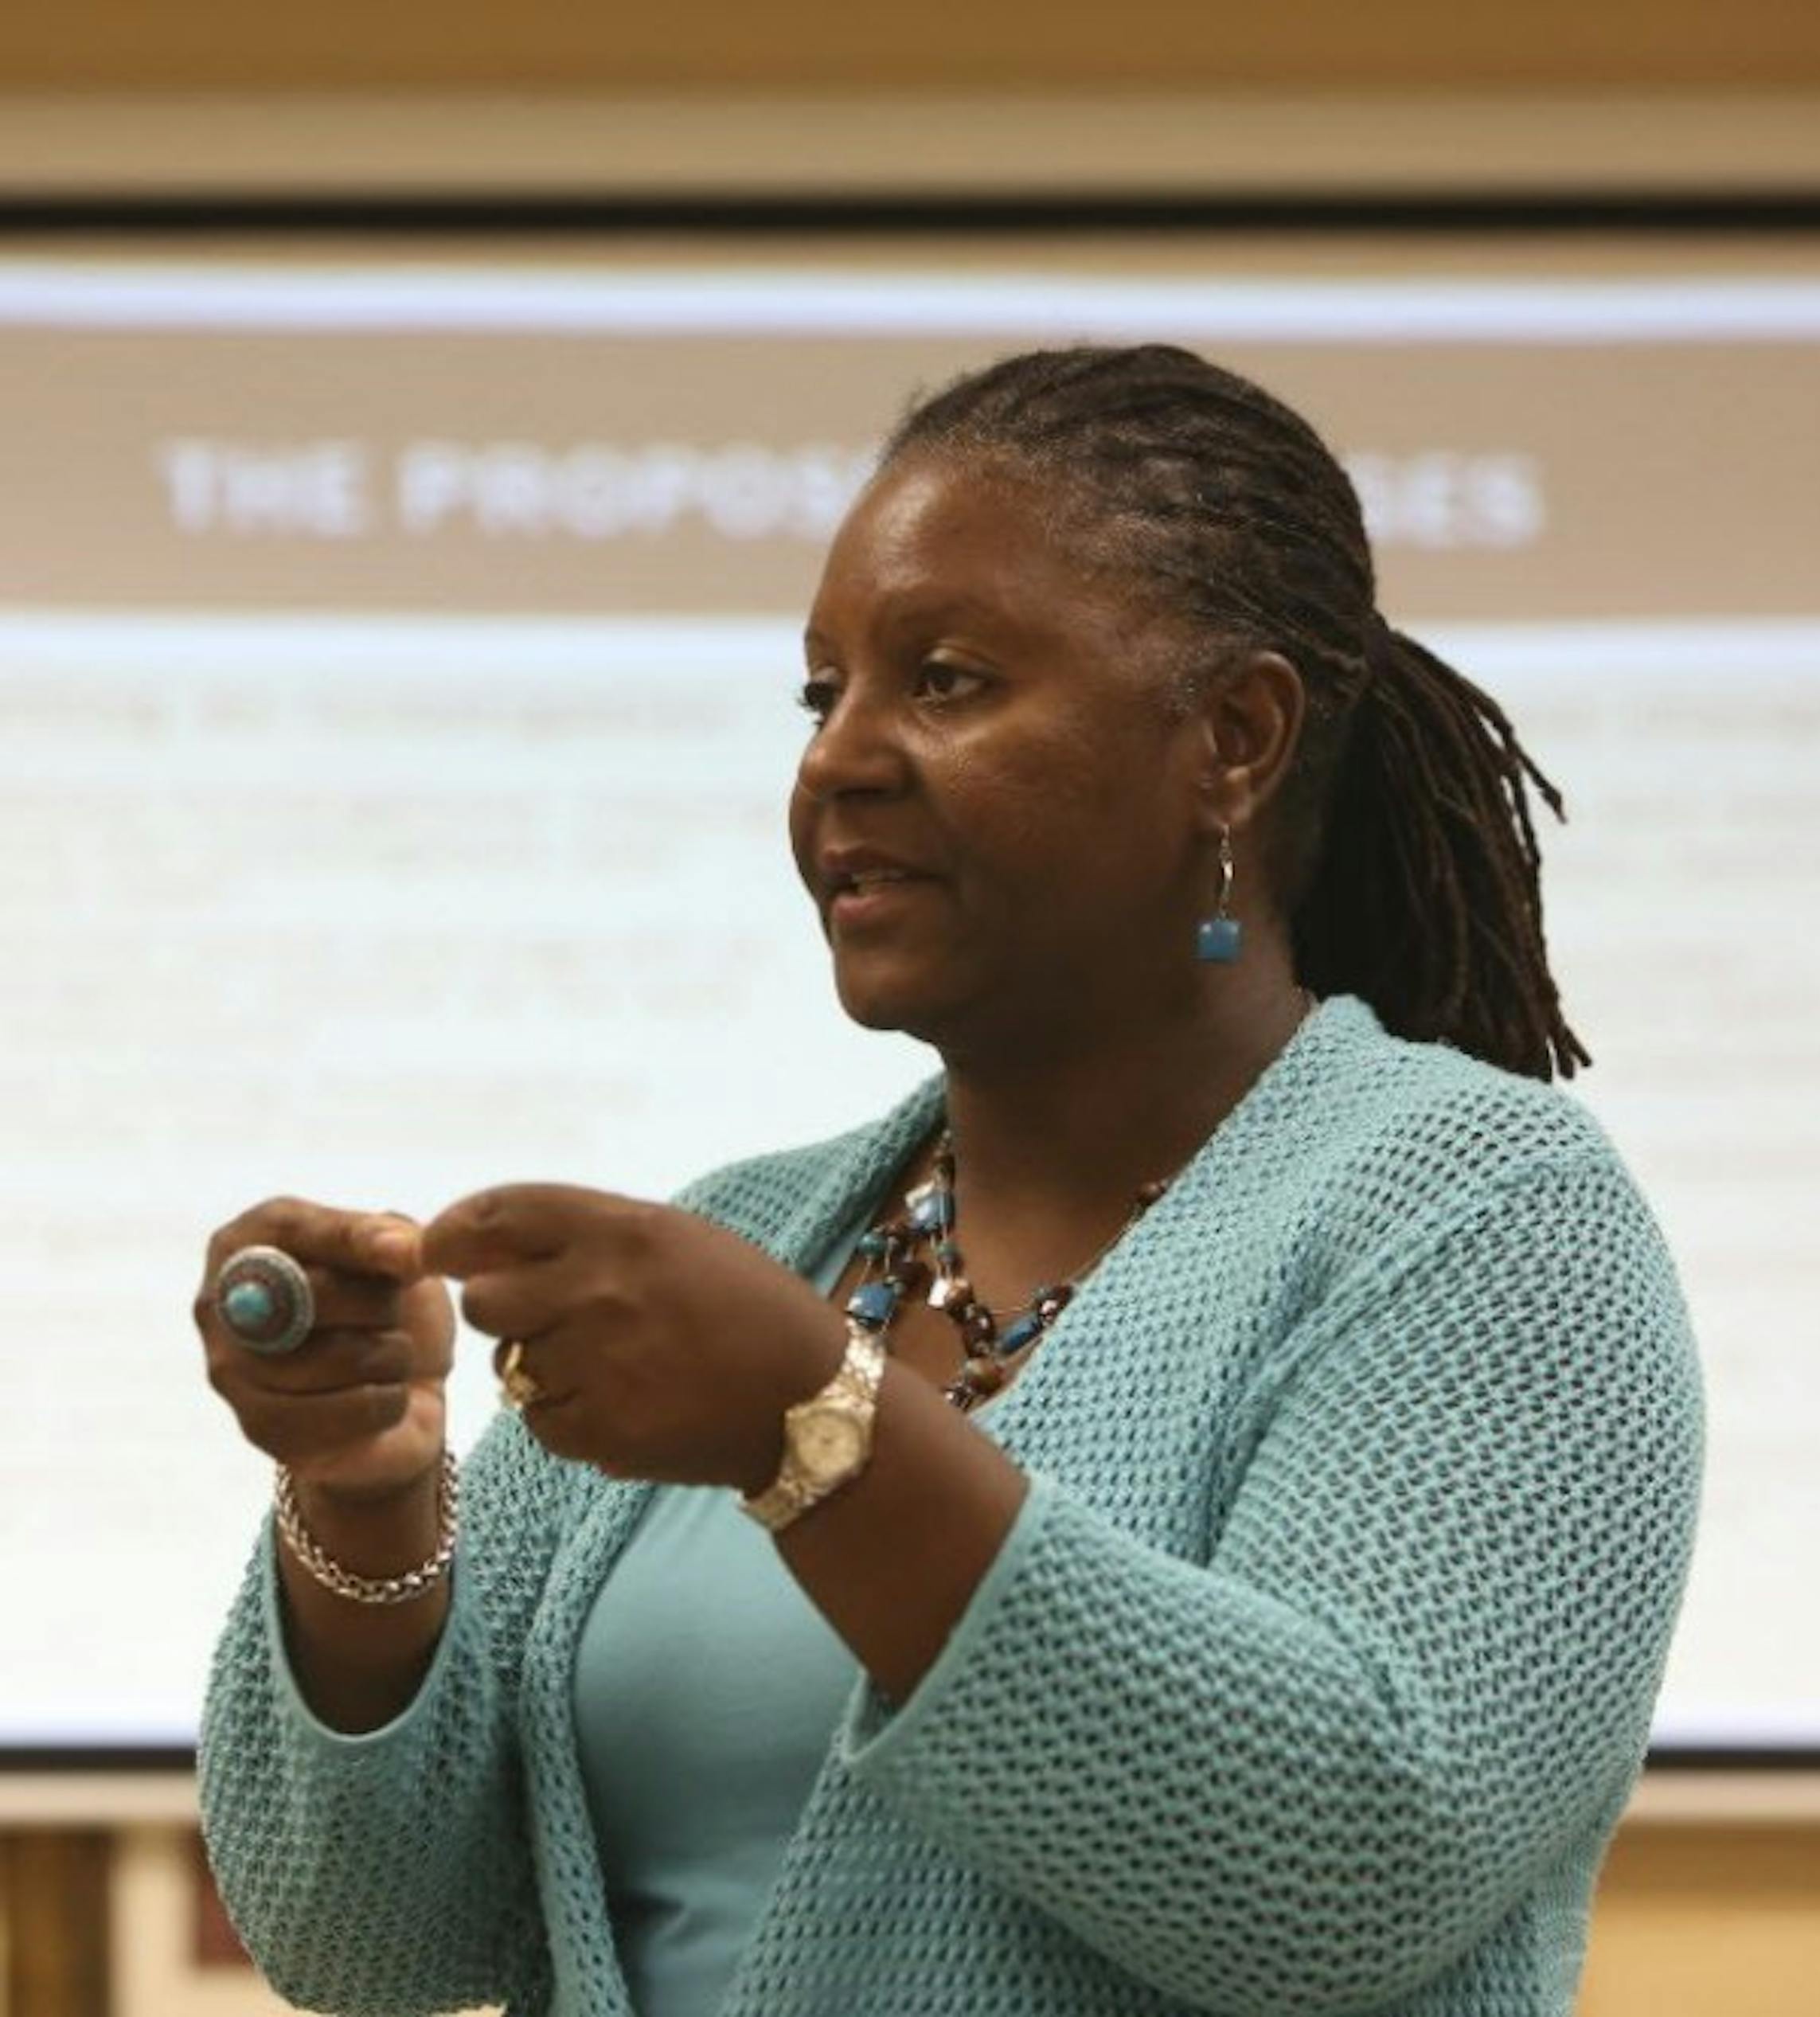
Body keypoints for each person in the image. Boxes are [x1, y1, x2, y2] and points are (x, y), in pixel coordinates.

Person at [194, 344, 1704, 2017]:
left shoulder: (1483, 1214)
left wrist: (814, 1429)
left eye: (947, 680)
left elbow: (1345, 1871)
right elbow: (373, 1939)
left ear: (1236, 738)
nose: (837, 758)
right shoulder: (753, 1236)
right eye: (820, 694)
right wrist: (370, 1494)